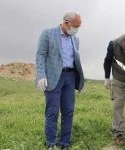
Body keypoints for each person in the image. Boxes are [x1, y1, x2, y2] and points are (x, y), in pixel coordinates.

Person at [35, 11, 84, 150]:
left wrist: (80, 80)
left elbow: (76, 61)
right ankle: (51, 143)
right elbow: (40, 55)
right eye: (75, 26)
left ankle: (65, 143)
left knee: (68, 111)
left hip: (70, 77)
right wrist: (41, 75)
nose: (77, 29)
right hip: (53, 77)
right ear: (67, 23)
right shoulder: (47, 34)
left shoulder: (75, 39)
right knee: (52, 111)